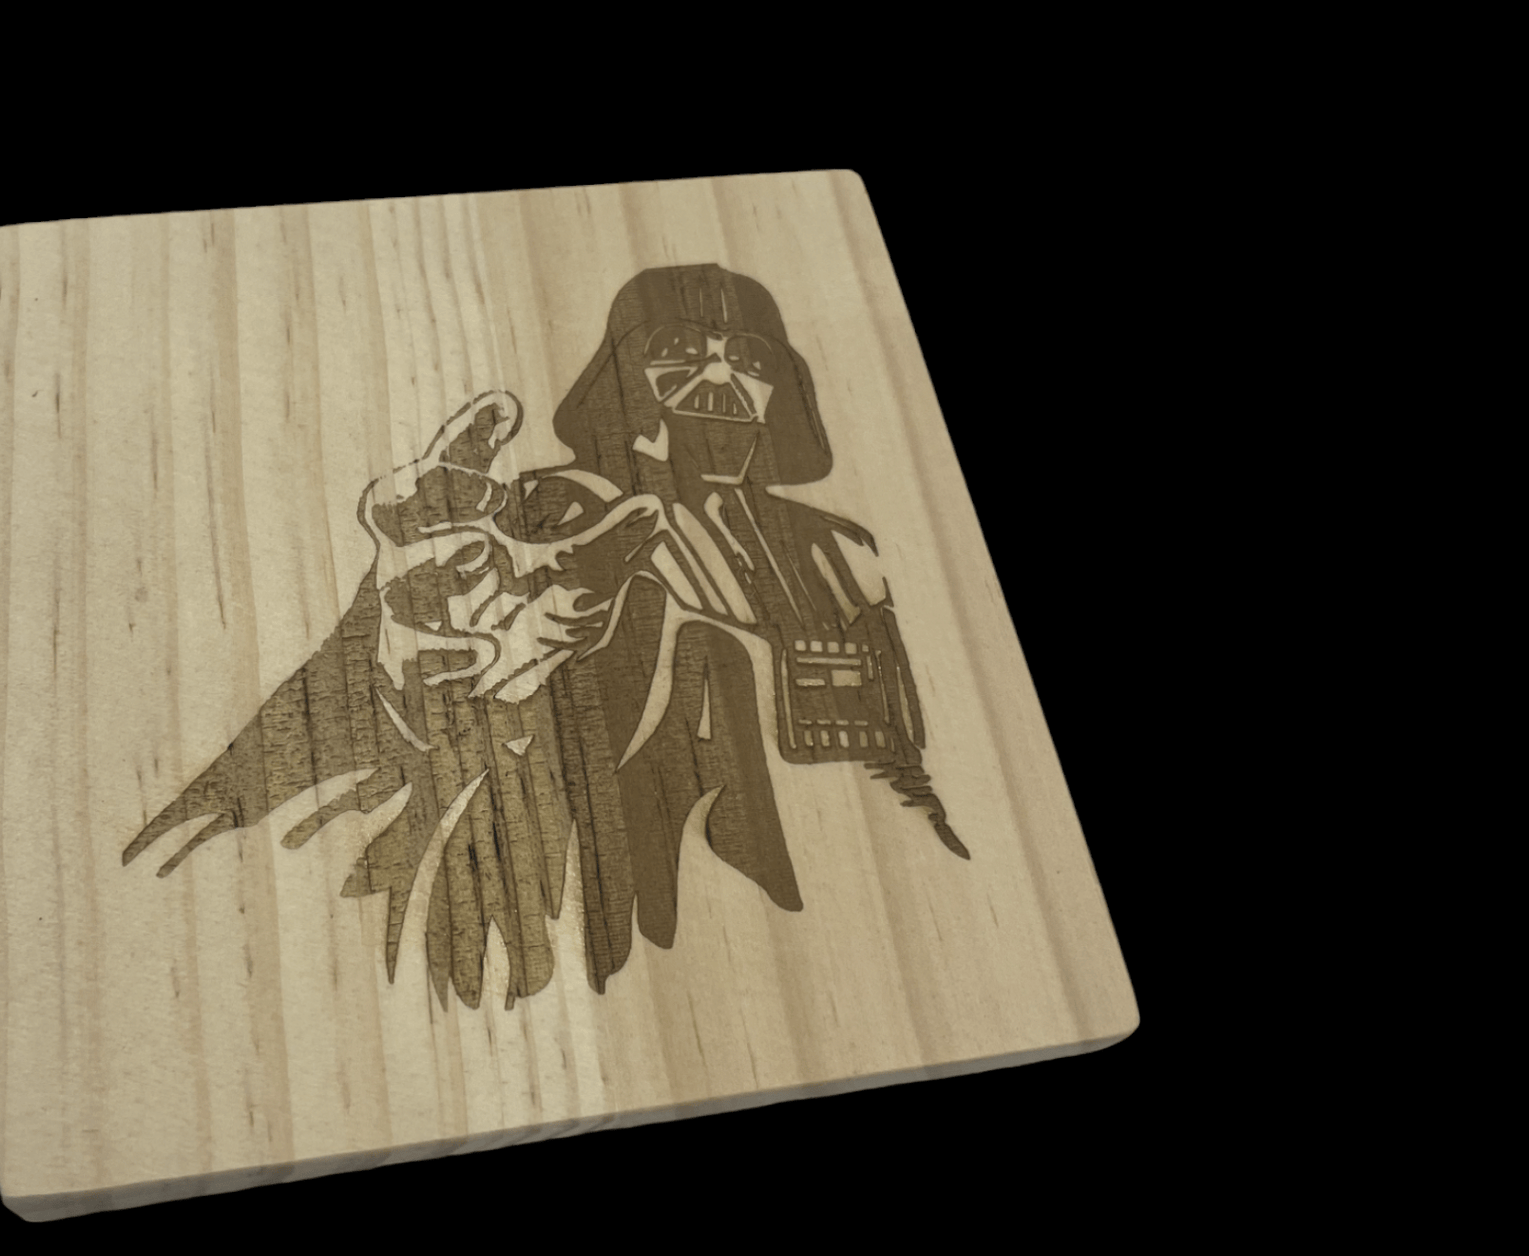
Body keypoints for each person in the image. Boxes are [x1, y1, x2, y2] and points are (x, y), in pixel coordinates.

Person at [123, 265, 964, 1009]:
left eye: (746, 358)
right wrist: (396, 656)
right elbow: (462, 649)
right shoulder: (552, 512)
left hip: (844, 927)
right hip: (614, 919)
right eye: (677, 351)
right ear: (621, 372)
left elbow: (898, 761)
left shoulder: (842, 552)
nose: (716, 376)